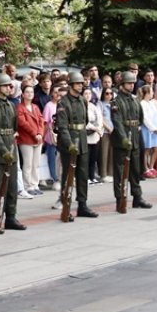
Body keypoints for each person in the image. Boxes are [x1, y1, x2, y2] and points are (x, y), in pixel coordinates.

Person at [0, 73, 27, 234]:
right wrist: (3, 151)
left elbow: (14, 128)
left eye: (10, 86)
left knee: (12, 186)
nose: (9, 88)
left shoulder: (10, 105)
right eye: (6, 86)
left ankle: (11, 217)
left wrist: (10, 150)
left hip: (11, 148)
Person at [55, 71, 99, 218]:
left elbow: (85, 121)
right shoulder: (63, 102)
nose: (81, 86)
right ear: (71, 84)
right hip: (69, 143)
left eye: (82, 83)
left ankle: (82, 205)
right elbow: (62, 127)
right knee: (68, 176)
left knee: (82, 175)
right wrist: (69, 144)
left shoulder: (82, 100)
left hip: (82, 140)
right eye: (78, 83)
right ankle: (65, 205)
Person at [111, 71, 152, 212]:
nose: (132, 85)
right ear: (122, 85)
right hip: (121, 141)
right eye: (129, 83)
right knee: (121, 172)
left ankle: (137, 197)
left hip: (134, 137)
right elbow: (117, 122)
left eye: (133, 83)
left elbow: (140, 118)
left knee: (135, 170)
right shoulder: (116, 102)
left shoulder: (135, 100)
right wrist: (123, 139)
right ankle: (120, 199)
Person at [140, 84, 157, 178]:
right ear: (147, 93)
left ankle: (152, 167)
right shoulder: (142, 103)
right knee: (147, 149)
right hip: (147, 129)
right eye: (151, 91)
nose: (153, 93)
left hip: (156, 129)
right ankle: (146, 169)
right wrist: (153, 128)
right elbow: (145, 118)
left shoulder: (151, 103)